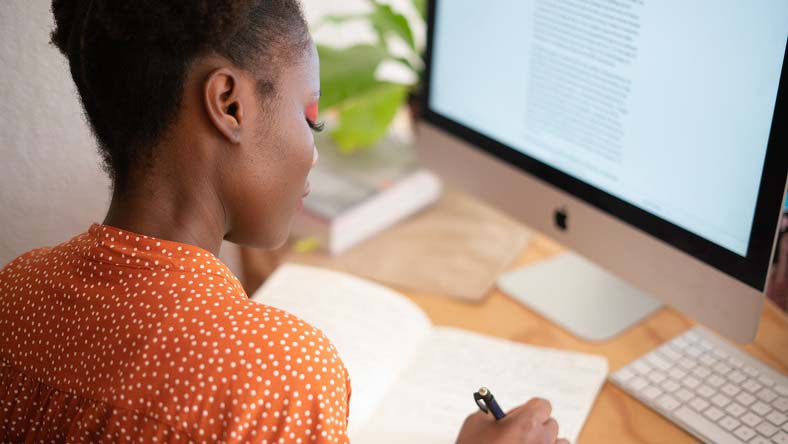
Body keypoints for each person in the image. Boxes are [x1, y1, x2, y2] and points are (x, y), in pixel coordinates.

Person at [0, 1, 569, 443]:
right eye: (309, 118)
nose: (313, 153)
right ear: (228, 104)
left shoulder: (15, 293)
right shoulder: (277, 377)